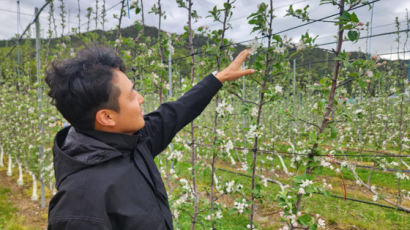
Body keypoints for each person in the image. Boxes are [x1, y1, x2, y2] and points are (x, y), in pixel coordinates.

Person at [45, 45, 254, 230]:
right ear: (107, 117)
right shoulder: (79, 206)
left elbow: (175, 113)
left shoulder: (131, 141)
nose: (141, 99)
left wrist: (218, 79)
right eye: (131, 95)